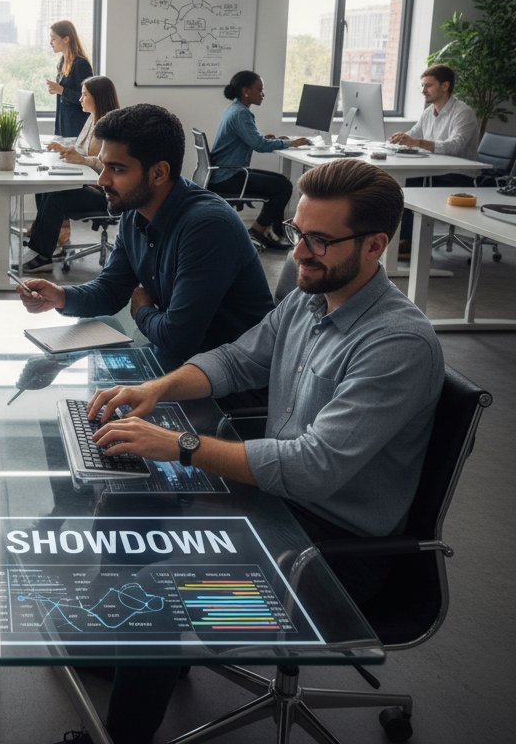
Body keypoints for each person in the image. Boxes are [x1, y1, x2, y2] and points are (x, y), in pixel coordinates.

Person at [88, 158, 444, 744]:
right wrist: (155, 388)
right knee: (123, 501)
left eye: (321, 240)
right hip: (272, 507)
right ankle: (148, 653)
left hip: (330, 560)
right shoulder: (311, 295)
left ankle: (145, 665)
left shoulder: (396, 344)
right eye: (300, 233)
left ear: (376, 244)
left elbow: (313, 468)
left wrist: (181, 445)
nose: (301, 251)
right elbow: (235, 360)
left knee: (153, 595)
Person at [17, 103, 274, 374]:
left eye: (117, 169)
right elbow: (112, 290)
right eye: (104, 166)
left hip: (230, 385)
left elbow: (177, 339)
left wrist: (141, 310)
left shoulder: (207, 226)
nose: (102, 180)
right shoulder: (135, 212)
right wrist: (61, 297)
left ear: (158, 173)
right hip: (188, 368)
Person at [21, 75, 120, 273]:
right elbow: (81, 148)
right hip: (89, 183)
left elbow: (111, 165)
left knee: (57, 196)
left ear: (98, 98)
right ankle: (44, 246)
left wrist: (83, 160)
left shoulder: (112, 126)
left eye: (84, 95)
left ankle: (43, 255)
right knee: (45, 187)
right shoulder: (92, 119)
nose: (80, 99)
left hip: (105, 193)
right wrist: (64, 147)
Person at [209, 69, 309, 251]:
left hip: (224, 172)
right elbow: (259, 145)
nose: (262, 94)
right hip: (229, 177)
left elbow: (252, 138)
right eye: (259, 89)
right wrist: (291, 143)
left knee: (281, 182)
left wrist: (268, 139)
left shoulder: (235, 109)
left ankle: (271, 231)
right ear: (246, 91)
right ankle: (261, 231)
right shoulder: (241, 114)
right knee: (283, 187)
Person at [389, 63, 481, 251]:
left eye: (428, 85)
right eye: (422, 86)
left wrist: (418, 142)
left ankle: (411, 244)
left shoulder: (463, 112)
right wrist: (399, 138)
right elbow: (414, 134)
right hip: (434, 169)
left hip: (458, 173)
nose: (423, 91)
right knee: (402, 185)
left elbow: (455, 146)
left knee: (410, 185)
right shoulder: (428, 113)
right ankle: (407, 241)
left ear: (445, 86)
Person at [46, 19, 93, 138]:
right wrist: (57, 90)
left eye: (53, 38)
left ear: (66, 39)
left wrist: (61, 90)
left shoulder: (81, 64)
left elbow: (87, 99)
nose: (50, 42)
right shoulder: (62, 62)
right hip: (63, 126)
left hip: (76, 129)